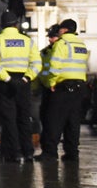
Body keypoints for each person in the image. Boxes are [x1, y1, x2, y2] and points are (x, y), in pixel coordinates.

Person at [0, 11, 41, 163]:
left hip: (6, 83)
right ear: (16, 24)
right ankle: (28, 152)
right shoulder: (27, 41)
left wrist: (8, 78)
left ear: (2, 25)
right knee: (24, 118)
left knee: (9, 119)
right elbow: (37, 63)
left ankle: (14, 152)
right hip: (24, 82)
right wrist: (26, 78)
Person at [37, 18, 89, 162]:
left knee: (54, 120)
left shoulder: (62, 43)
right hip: (80, 87)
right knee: (73, 122)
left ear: (64, 30)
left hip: (63, 87)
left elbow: (55, 66)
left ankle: (50, 153)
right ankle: (72, 153)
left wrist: (52, 83)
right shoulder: (81, 45)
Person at [37, 24, 61, 147]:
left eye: (53, 37)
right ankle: (47, 146)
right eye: (50, 37)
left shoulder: (61, 50)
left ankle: (51, 147)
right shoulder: (44, 52)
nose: (50, 39)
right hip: (46, 89)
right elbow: (39, 70)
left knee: (53, 119)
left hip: (58, 89)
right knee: (44, 117)